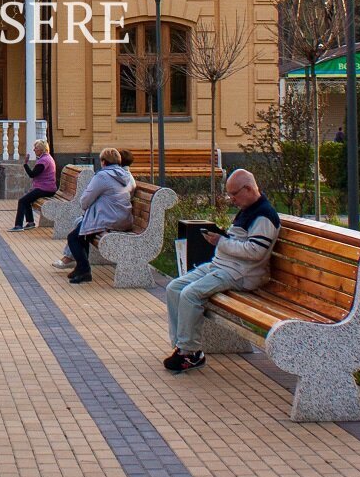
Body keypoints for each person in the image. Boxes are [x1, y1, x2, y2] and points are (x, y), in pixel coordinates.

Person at [162, 168, 279, 372]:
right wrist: (222, 238)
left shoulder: (264, 216)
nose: (231, 199)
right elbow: (239, 242)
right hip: (222, 266)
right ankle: (181, 347)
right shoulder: (248, 209)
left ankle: (190, 353)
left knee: (190, 294)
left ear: (249, 189)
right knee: (174, 288)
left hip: (241, 273)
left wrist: (221, 241)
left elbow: (255, 252)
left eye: (234, 194)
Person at [65, 147, 134, 285]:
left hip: (108, 219)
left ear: (103, 162)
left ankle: (85, 270)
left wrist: (86, 209)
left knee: (73, 238)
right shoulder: (125, 175)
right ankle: (80, 268)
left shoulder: (103, 176)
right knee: (83, 231)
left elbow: (85, 199)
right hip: (124, 218)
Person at [11, 139, 58, 231]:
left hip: (45, 189)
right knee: (27, 200)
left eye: (36, 148)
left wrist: (25, 164)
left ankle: (18, 225)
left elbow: (32, 174)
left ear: (42, 149)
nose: (34, 150)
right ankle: (30, 222)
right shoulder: (47, 158)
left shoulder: (43, 161)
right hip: (48, 188)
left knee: (22, 201)